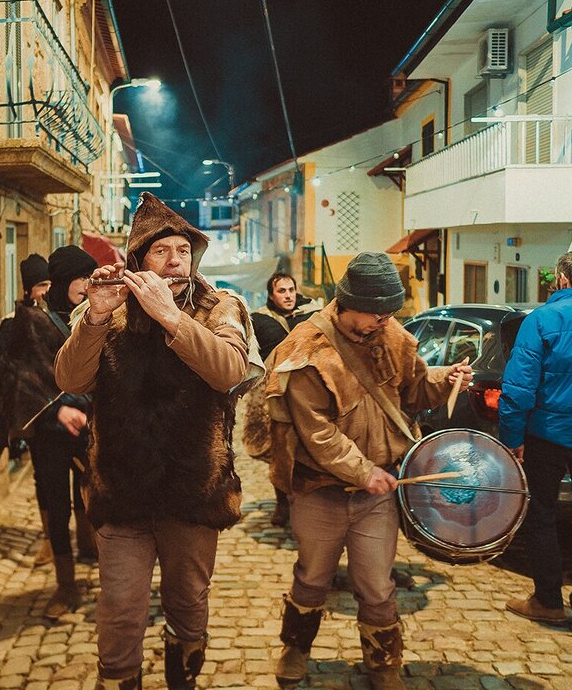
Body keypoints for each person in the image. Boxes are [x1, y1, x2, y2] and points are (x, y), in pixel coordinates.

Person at [55, 193, 262, 690]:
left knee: (188, 603)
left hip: (194, 492)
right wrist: (95, 317)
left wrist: (172, 317)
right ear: (138, 260)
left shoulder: (219, 307)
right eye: (161, 251)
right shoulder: (110, 310)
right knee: (120, 608)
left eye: (183, 251)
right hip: (121, 489)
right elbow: (70, 379)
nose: (175, 261)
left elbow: (229, 371)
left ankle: (181, 675)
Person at [265, 252, 471, 690]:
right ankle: (295, 648)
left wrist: (445, 379)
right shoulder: (305, 349)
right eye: (377, 313)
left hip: (376, 494)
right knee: (312, 577)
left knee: (377, 584)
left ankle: (383, 663)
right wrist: (363, 472)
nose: (384, 321)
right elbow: (318, 433)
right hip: (320, 490)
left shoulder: (391, 336)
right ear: (349, 303)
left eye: (389, 313)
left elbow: (413, 391)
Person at [0, 248, 98, 620]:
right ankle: (66, 587)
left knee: (91, 494)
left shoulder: (93, 317)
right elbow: (21, 378)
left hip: (88, 426)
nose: (87, 285)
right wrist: (57, 409)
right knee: (57, 504)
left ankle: (91, 548)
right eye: (81, 278)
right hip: (50, 432)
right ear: (63, 280)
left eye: (90, 277)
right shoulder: (31, 322)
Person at [500, 251, 572, 624]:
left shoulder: (542, 320)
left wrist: (512, 439)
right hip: (552, 431)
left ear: (561, 279)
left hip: (547, 435)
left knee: (541, 514)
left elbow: (518, 390)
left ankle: (548, 601)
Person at [249, 272, 321, 525]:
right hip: (276, 395)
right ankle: (283, 501)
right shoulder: (259, 320)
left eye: (291, 290)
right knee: (281, 449)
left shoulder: (313, 314)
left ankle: (312, 503)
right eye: (282, 291)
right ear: (271, 295)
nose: (288, 295)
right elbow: (252, 356)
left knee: (312, 447)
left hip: (312, 392)